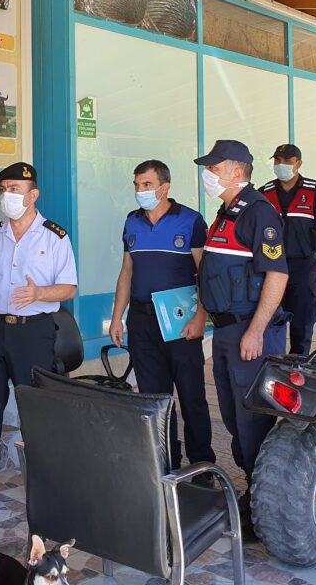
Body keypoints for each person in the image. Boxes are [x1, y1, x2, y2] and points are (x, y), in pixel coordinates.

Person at [0, 162, 77, 521]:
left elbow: (69, 288)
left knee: (36, 414)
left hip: (33, 332)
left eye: (14, 189)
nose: (7, 196)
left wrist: (39, 293)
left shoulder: (55, 237)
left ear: (33, 195)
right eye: (3, 189)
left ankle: (48, 490)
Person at [195, 139, 288, 532]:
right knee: (235, 417)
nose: (208, 175)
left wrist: (256, 330)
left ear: (236, 172)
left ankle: (265, 504)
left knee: (252, 420)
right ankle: (254, 488)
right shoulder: (226, 213)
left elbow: (277, 275)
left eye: (214, 169)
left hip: (250, 332)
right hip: (227, 330)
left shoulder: (258, 212)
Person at [108, 160, 215, 482]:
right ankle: (166, 462)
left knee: (191, 396)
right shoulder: (132, 222)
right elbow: (127, 272)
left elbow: (205, 273)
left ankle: (202, 467)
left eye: (147, 184)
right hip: (142, 321)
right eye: (137, 185)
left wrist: (201, 317)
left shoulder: (190, 220)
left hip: (181, 322)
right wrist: (117, 317)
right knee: (154, 399)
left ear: (165, 187)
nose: (140, 190)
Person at [258, 144, 316, 355]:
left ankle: (297, 366)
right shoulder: (264, 193)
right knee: (269, 321)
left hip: (303, 267)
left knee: (302, 322)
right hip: (271, 267)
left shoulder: (315, 192)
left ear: (298, 164)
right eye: (277, 160)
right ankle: (272, 365)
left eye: (287, 161)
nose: (281, 165)